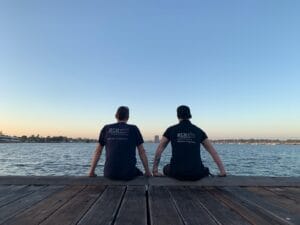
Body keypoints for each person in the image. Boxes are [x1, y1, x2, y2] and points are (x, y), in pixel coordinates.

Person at [152, 105, 226, 180]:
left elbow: (159, 150)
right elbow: (213, 152)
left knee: (166, 168)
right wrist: (222, 171)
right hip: (196, 174)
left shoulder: (171, 130)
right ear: (189, 115)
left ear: (178, 116)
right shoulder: (199, 131)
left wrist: (155, 170)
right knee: (205, 169)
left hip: (177, 173)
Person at [89, 106, 152, 180]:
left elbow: (98, 151)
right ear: (128, 117)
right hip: (129, 174)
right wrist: (147, 171)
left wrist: (91, 172)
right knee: (141, 176)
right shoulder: (133, 129)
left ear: (116, 116)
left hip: (109, 173)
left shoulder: (106, 128)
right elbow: (142, 152)